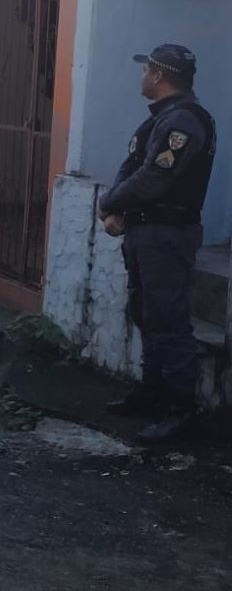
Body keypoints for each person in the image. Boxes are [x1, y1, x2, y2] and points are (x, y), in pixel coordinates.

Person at [98, 44, 216, 444]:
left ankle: (181, 408)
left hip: (166, 234)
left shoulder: (184, 123)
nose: (143, 76)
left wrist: (109, 202)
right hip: (145, 232)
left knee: (167, 319)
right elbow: (131, 166)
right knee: (145, 313)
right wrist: (114, 209)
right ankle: (151, 390)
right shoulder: (162, 120)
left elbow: (153, 178)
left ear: (160, 76)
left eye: (146, 69)